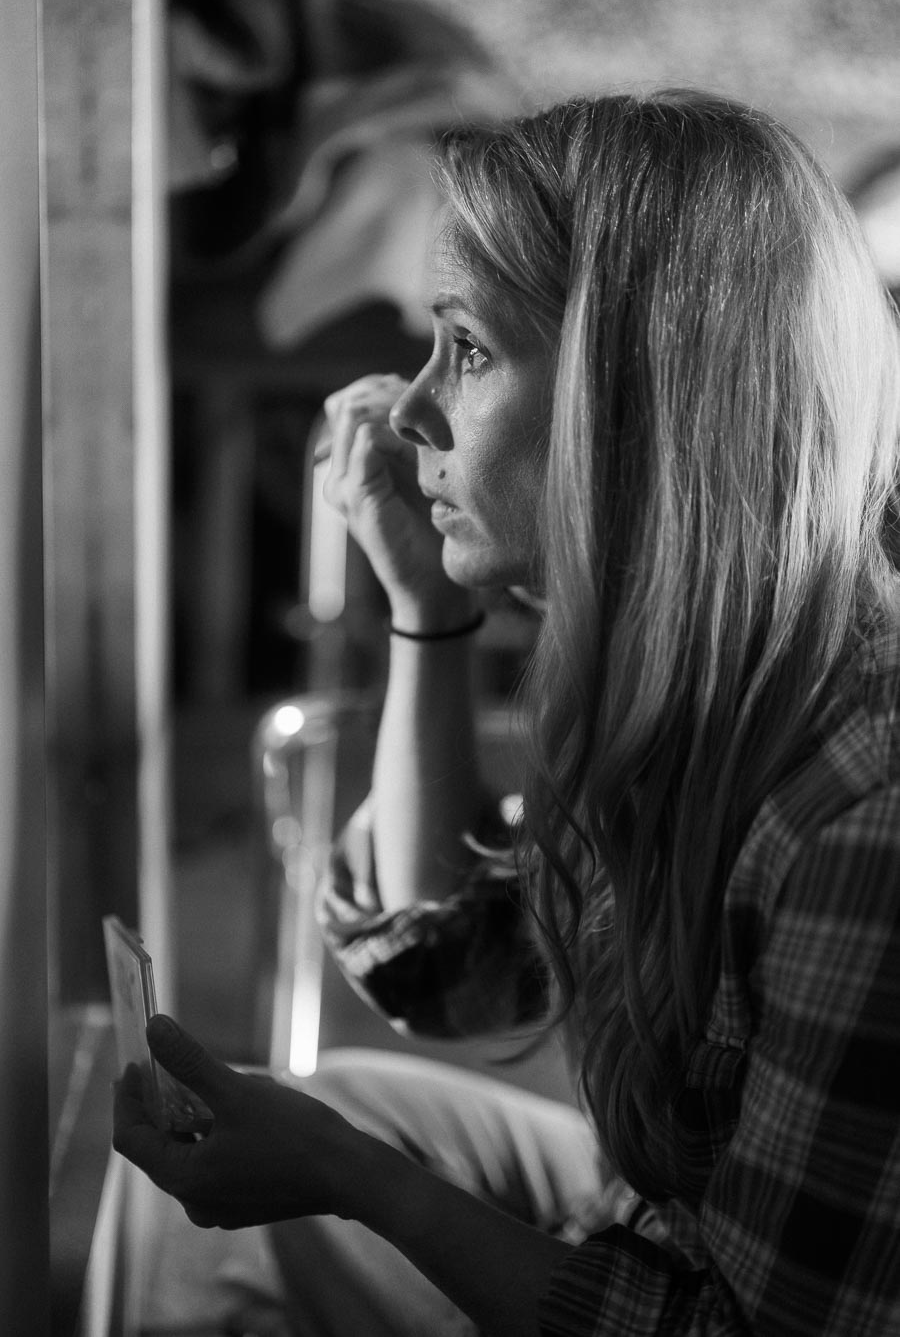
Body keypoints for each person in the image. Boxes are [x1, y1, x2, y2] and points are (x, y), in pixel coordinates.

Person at [115, 89, 900, 1336]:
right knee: (256, 1146)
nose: (413, 408)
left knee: (294, 1184)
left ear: (633, 399)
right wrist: (423, 609)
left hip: (713, 1289)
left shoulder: (863, 824)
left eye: (467, 351)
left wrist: (354, 1180)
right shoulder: (684, 674)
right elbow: (460, 979)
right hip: (652, 1210)